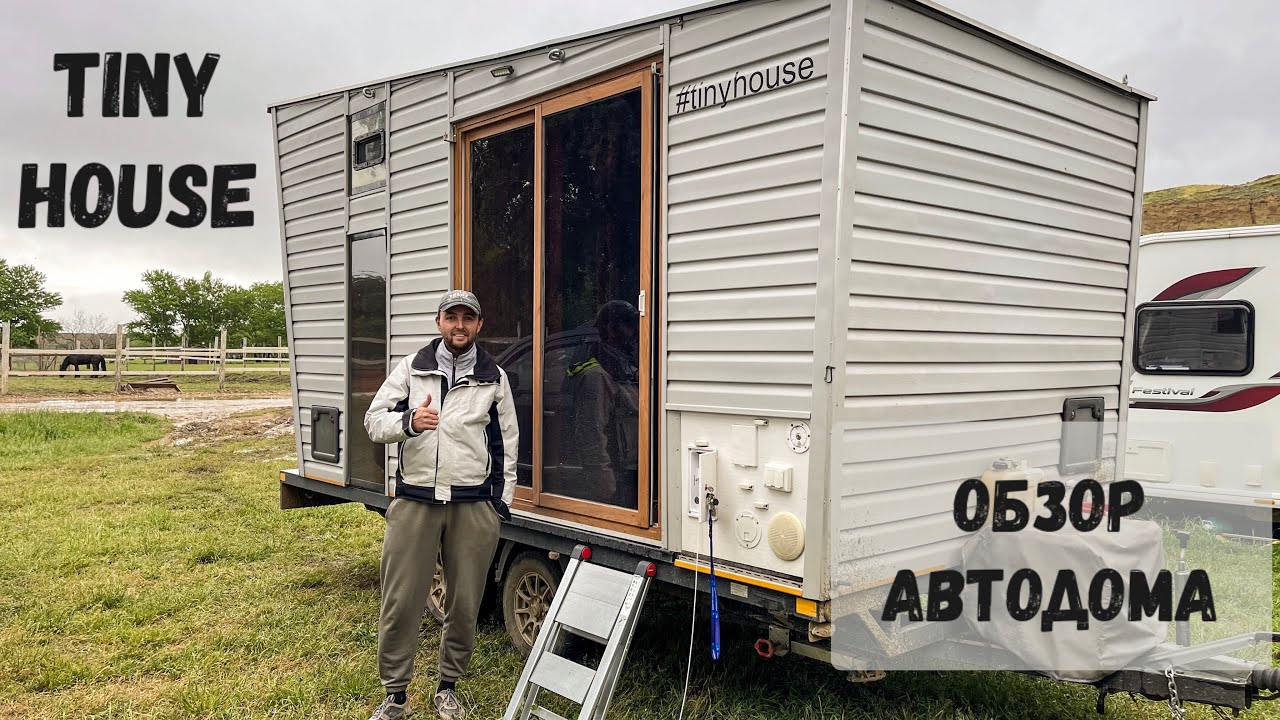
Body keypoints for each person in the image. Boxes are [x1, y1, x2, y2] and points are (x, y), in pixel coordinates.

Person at [363, 289, 518, 720]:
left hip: (473, 505)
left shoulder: (494, 378)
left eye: (468, 318)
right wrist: (410, 422)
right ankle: (395, 693)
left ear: (479, 326)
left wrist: (499, 504)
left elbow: (507, 443)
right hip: (415, 501)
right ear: (439, 323)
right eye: (452, 317)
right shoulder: (412, 370)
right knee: (401, 599)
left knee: (464, 602)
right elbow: (374, 421)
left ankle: (448, 686)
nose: (460, 326)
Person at [557, 300, 640, 508]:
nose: (636, 333)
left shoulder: (626, 367)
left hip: (634, 469)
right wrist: (604, 480)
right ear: (610, 328)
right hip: (616, 476)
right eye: (629, 325)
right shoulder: (597, 375)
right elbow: (590, 433)